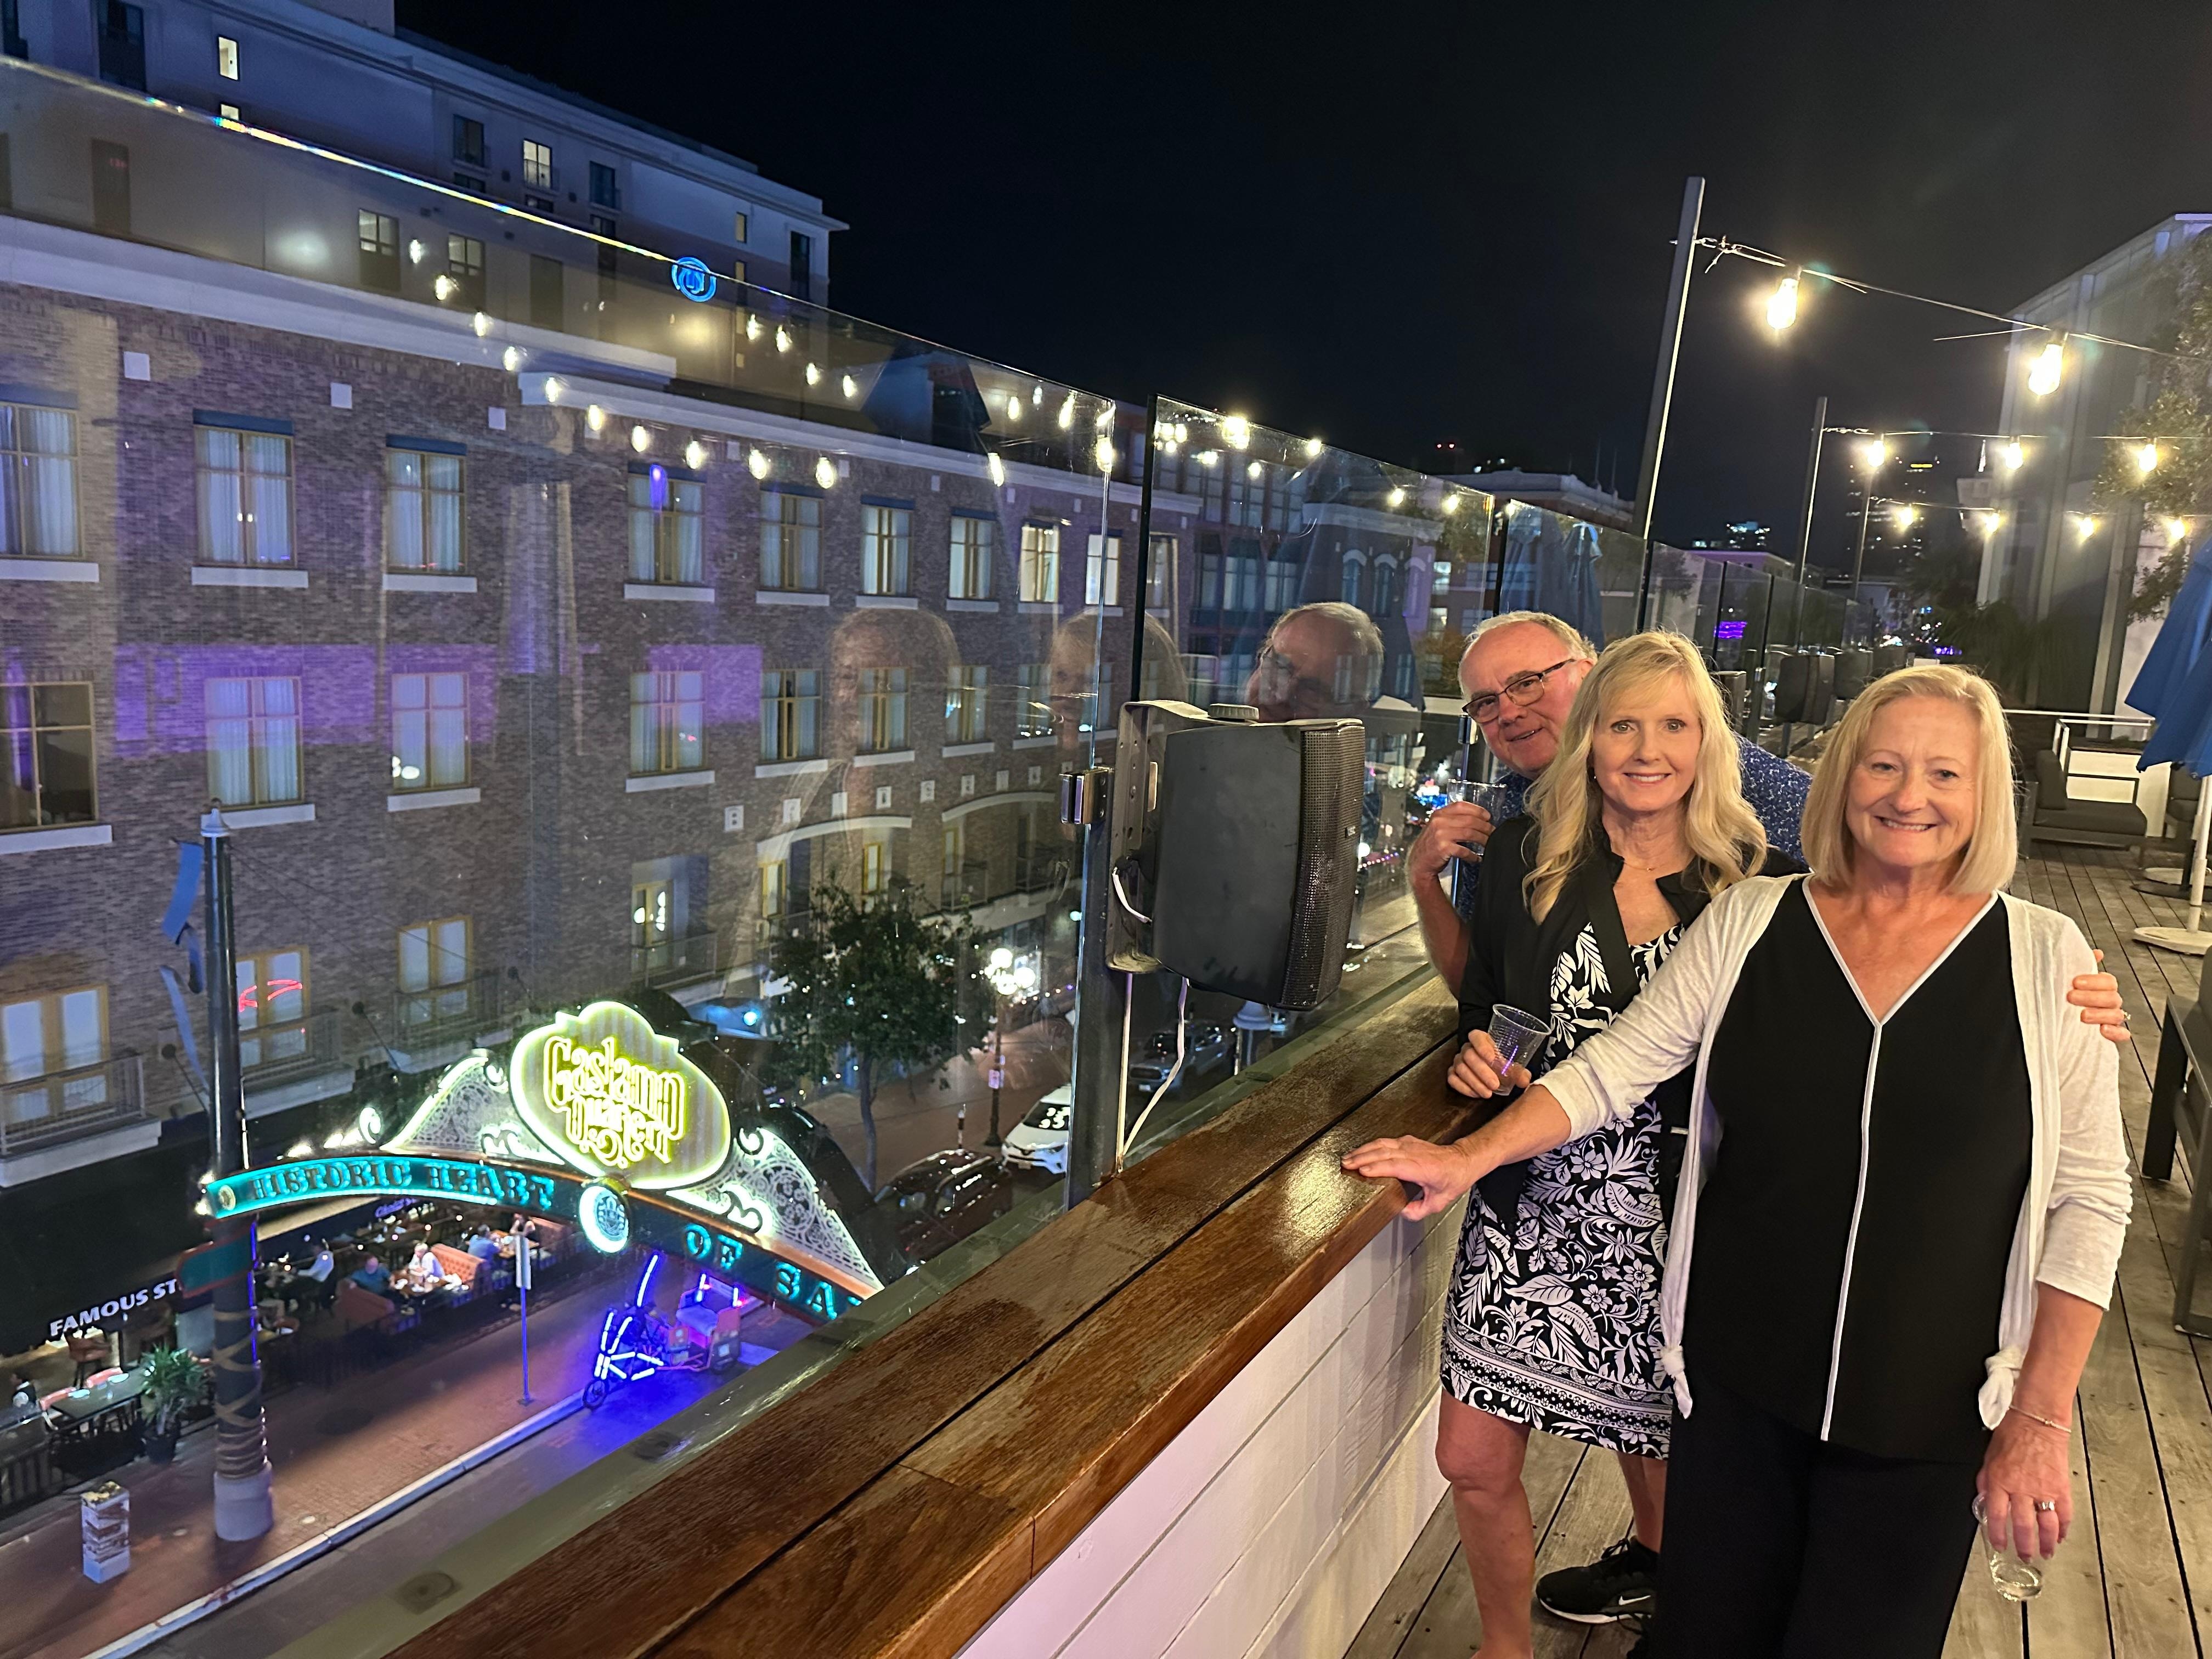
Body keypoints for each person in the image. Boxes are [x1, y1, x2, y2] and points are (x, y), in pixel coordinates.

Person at [1347, 665, 2132, 1657]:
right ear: (1843, 778)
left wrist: (2039, 1421)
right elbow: (1610, 1069)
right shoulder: (1754, 918)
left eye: (1945, 773)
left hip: (1926, 1407)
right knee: (1704, 1635)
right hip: (1737, 1387)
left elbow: (2091, 1202)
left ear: (1985, 798)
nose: (1908, 795)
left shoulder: (2046, 960)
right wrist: (1468, 1158)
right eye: (1885, 765)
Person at [1397, 631, 1799, 1657]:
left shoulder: (1763, 886)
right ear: (1590, 739)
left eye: (1674, 725)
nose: (1647, 748)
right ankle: (1503, 1648)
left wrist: (2066, 985)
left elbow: (1909, 939)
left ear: (1709, 742)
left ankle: (1676, 1619)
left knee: (1680, 1478)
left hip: (1683, 1230)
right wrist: (1477, 1064)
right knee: (1472, 1457)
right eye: (1624, 725)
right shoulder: (1533, 860)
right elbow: (1486, 1012)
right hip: (1529, 1210)